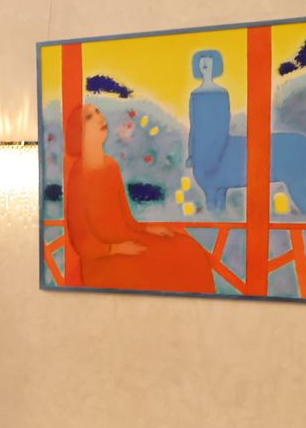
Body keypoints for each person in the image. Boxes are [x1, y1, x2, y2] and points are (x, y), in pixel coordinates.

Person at [65, 104, 215, 293]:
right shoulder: (79, 175)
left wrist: (147, 229)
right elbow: (81, 241)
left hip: (127, 240)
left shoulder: (111, 166)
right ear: (78, 133)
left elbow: (125, 218)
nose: (99, 117)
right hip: (102, 260)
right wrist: (114, 249)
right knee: (163, 262)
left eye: (97, 112)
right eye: (89, 117)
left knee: (188, 249)